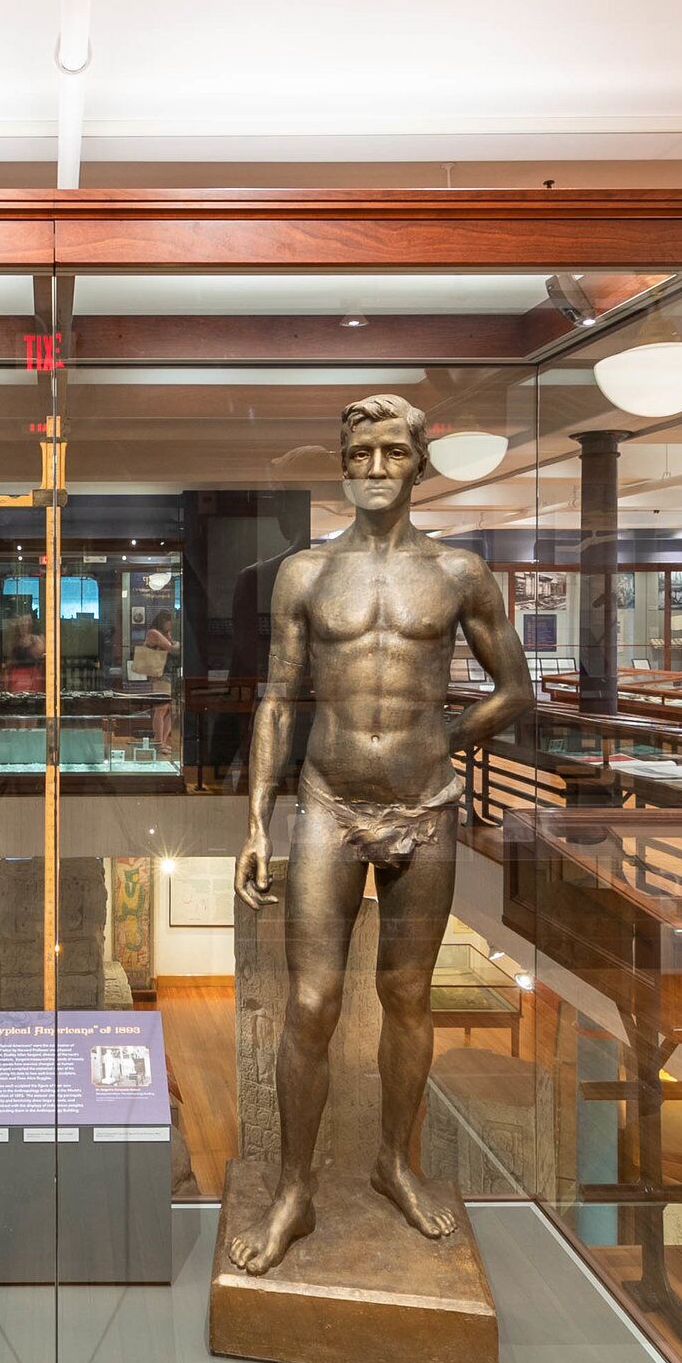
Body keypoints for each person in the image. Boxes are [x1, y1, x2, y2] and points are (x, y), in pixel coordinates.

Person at [228, 394, 534, 1276]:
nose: (373, 468)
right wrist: (256, 820)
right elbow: (278, 699)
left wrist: (447, 739)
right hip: (327, 802)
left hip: (426, 804)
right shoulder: (304, 574)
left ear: (419, 464)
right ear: (342, 462)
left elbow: (515, 689)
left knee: (407, 994)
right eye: (359, 452)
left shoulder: (459, 573)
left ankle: (395, 1162)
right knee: (312, 1004)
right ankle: (294, 1190)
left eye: (393, 452)